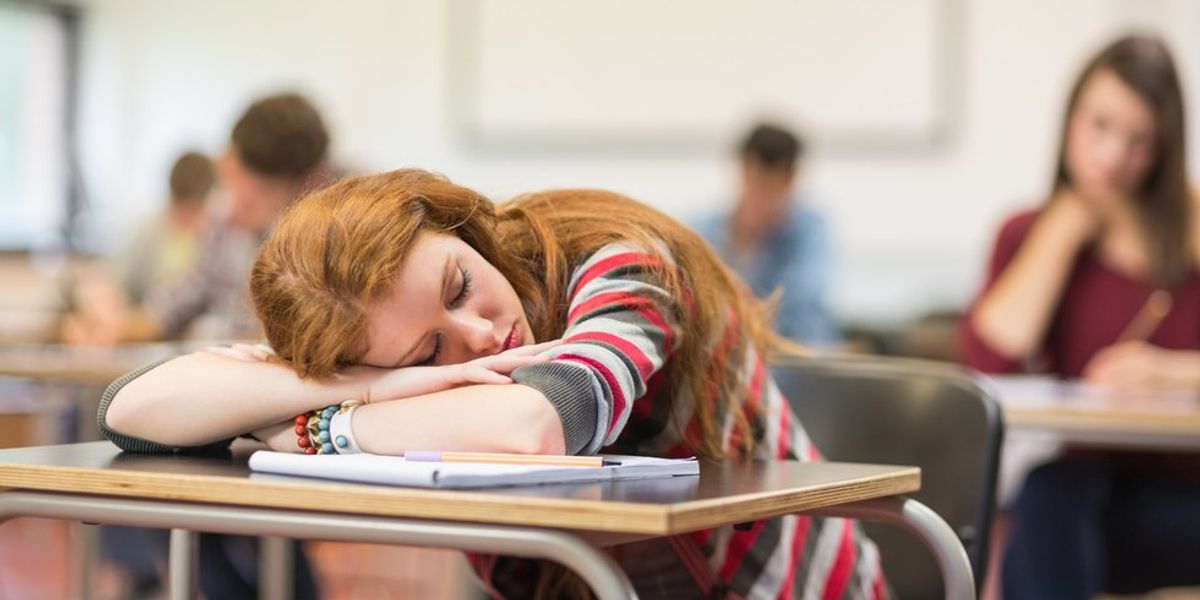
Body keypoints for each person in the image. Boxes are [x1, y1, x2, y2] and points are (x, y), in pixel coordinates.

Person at [99, 168, 890, 598]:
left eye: (459, 285)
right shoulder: (365, 346)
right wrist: (353, 388)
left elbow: (534, 425)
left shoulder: (621, 260)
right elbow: (130, 408)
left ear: (462, 226)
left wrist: (320, 427)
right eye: (426, 352)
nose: (478, 336)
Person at [958, 34, 1200, 599]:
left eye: (1139, 141)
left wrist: (1174, 372)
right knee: (1050, 495)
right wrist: (1063, 230)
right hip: (1083, 495)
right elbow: (988, 361)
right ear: (1071, 119)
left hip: (1185, 494)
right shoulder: (1030, 232)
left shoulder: (1190, 231)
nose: (1112, 156)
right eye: (1100, 126)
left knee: (1043, 518)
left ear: (1164, 149)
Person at [69, 92, 331, 344]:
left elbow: (292, 339)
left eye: (253, 201)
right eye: (230, 183)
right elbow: (179, 301)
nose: (233, 209)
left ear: (306, 188)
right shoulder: (222, 218)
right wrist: (113, 329)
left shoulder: (324, 244)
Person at [694, 122, 839, 345]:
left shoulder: (808, 229)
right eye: (754, 182)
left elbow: (799, 303)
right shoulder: (707, 228)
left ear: (790, 180)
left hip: (798, 351)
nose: (760, 195)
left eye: (771, 186)